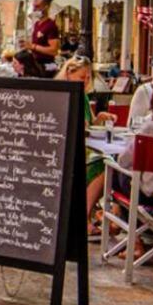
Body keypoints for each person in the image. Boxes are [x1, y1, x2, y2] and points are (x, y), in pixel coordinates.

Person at [57, 57, 116, 230]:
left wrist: (100, 118)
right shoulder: (64, 95)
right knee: (104, 166)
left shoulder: (81, 95)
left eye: (88, 78)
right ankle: (85, 217)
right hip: (70, 153)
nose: (86, 81)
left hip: (86, 148)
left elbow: (89, 127)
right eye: (82, 77)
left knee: (108, 163)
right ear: (69, 73)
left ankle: (89, 214)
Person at [27, 0, 61, 72]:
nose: (34, 9)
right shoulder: (36, 24)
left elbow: (54, 50)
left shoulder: (51, 25)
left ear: (46, 7)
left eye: (37, 6)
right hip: (36, 64)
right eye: (34, 6)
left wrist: (34, 47)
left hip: (46, 65)